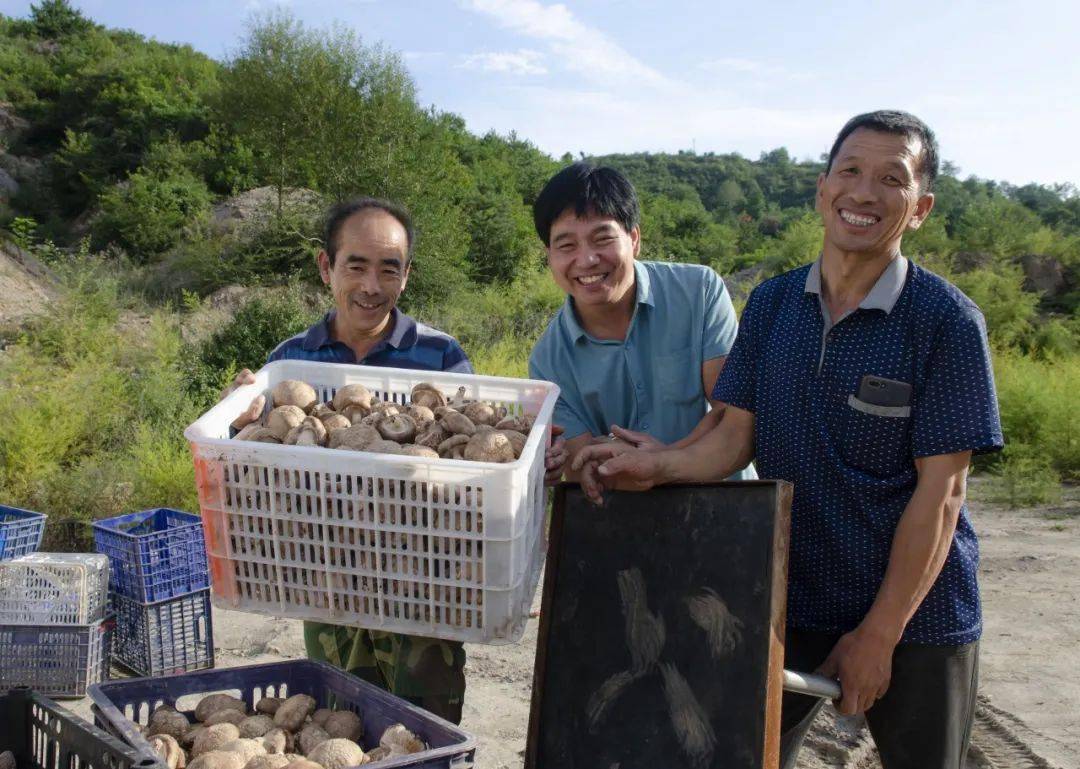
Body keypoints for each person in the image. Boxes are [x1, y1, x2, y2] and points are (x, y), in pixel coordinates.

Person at [573, 110, 1003, 769]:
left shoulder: (945, 322)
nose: (864, 193)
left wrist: (879, 635)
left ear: (919, 208)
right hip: (791, 594)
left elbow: (941, 493)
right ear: (821, 186)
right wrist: (655, 462)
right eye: (850, 170)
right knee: (744, 755)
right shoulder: (773, 305)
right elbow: (732, 437)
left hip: (917, 618)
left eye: (892, 178)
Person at [225, 197, 472, 723]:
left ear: (407, 276)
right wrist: (238, 420)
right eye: (355, 265)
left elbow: (471, 470)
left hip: (423, 586)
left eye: (389, 268)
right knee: (342, 721)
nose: (371, 286)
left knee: (426, 728)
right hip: (330, 579)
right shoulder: (292, 361)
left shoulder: (442, 357)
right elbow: (259, 470)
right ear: (326, 267)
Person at [528, 162, 755, 481]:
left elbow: (731, 414)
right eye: (567, 246)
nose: (587, 259)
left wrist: (663, 459)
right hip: (629, 516)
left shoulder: (699, 292)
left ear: (634, 239)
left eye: (601, 238)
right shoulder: (547, 361)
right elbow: (583, 465)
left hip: (724, 496)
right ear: (549, 256)